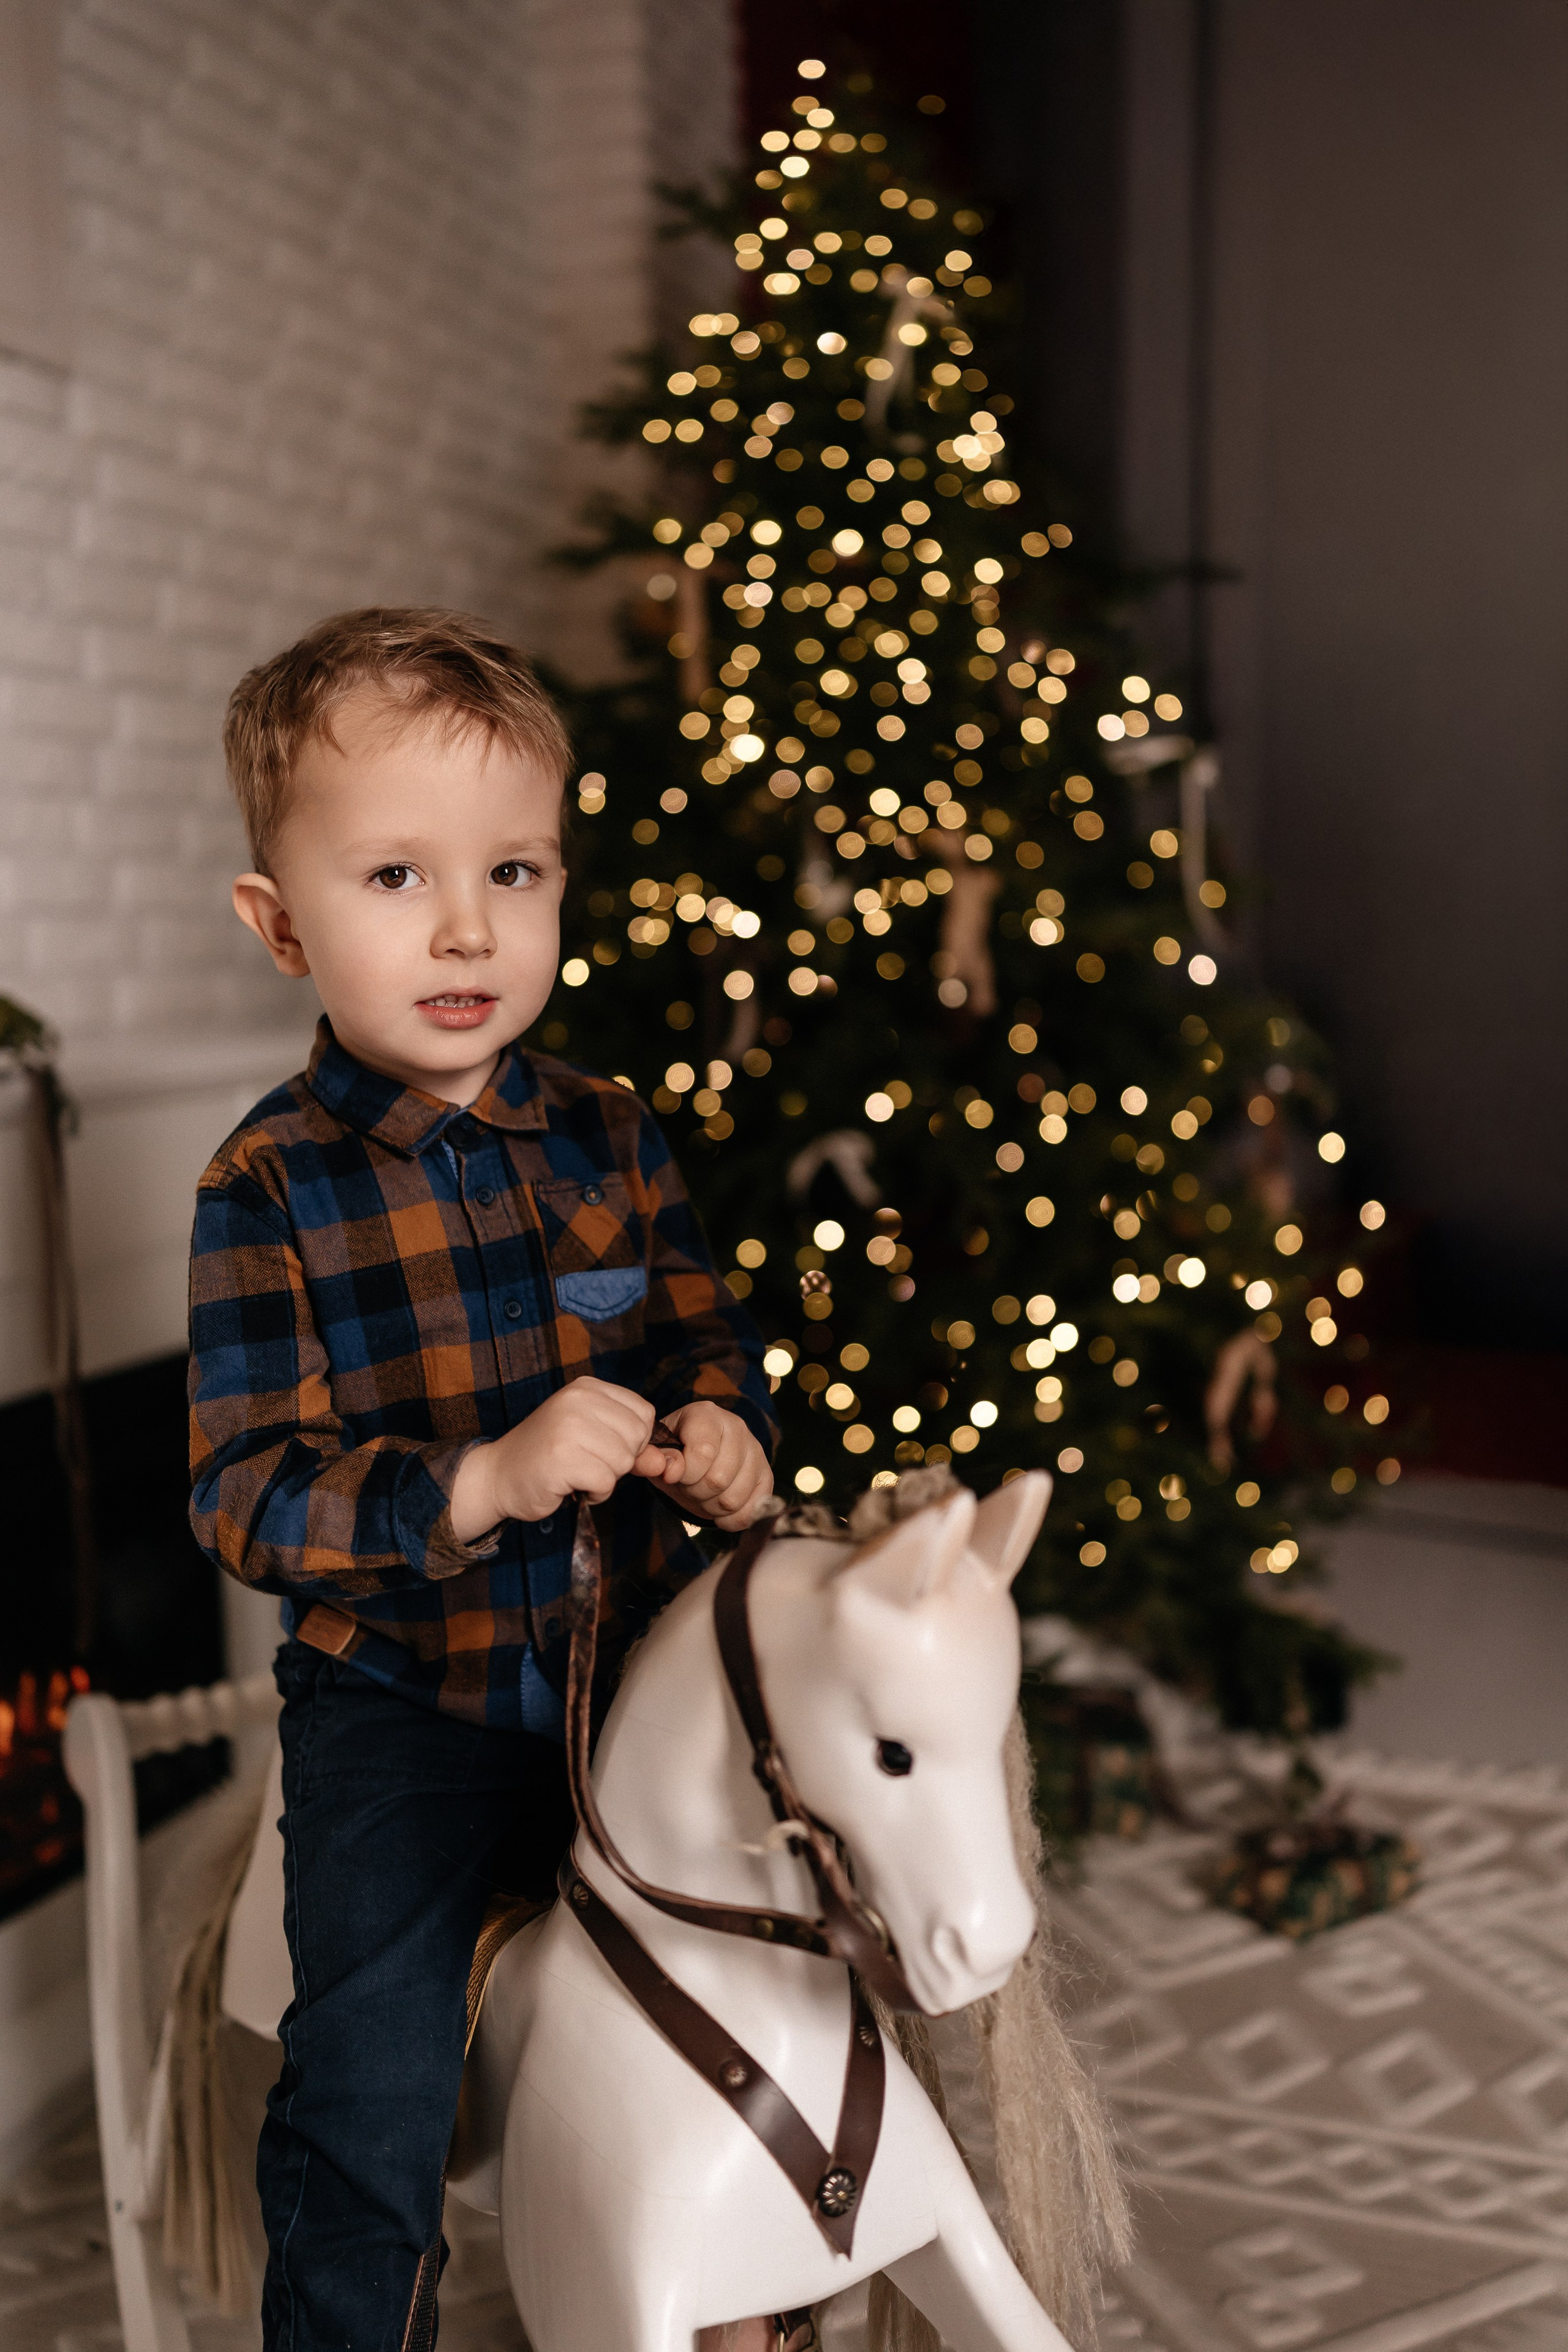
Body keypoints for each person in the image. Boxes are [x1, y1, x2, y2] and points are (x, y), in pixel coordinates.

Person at [188, 607, 779, 2351]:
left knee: (799, 1965)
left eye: (515, 870)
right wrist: (479, 1484)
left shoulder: (613, 1132)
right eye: (394, 879)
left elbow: (706, 1341)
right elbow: (243, 1494)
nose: (467, 926)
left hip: (630, 1684)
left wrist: (729, 1441)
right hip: (408, 1714)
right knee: (368, 2088)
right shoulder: (267, 1187)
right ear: (281, 926)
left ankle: (754, 2294)